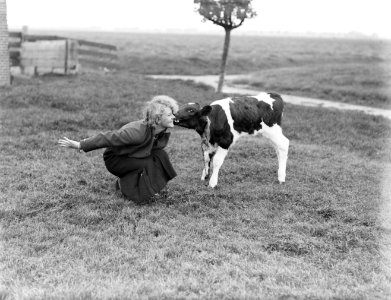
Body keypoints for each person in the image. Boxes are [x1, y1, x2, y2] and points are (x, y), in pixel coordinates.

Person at [58, 95, 179, 204]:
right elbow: (108, 138)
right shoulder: (136, 132)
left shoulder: (158, 129)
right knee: (147, 163)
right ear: (157, 118)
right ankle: (127, 188)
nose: (173, 117)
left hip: (130, 155)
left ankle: (150, 187)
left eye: (172, 114)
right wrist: (81, 145)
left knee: (160, 155)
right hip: (116, 159)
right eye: (169, 115)